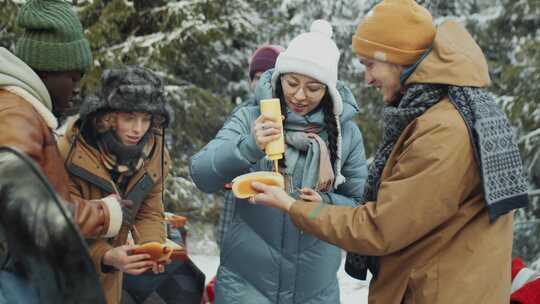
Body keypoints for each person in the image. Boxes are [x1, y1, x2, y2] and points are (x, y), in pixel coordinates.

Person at [251, 0, 529, 303]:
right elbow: (406, 213)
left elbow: (381, 227)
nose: (367, 79)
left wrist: (293, 207)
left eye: (370, 65)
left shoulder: (442, 131)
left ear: (399, 59)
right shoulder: (447, 110)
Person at [190, 19, 368, 303]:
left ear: (329, 90)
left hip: (315, 290)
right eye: (292, 83)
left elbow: (361, 205)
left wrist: (327, 203)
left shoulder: (346, 134)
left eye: (313, 88)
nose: (299, 95)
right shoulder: (250, 117)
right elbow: (201, 174)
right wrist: (249, 146)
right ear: (279, 78)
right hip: (245, 287)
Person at [0, 0, 123, 240]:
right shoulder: (16, 116)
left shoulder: (22, 111)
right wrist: (104, 214)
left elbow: (39, 196)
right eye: (73, 78)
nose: (77, 89)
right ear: (46, 71)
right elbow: (26, 214)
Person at [57, 66, 173, 304]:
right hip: (63, 276)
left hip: (110, 279)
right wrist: (106, 255)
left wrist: (151, 249)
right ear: (108, 118)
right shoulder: (70, 153)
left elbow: (149, 210)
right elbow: (58, 225)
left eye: (145, 118)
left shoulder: (154, 152)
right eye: (129, 118)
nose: (138, 129)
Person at [216, 44, 284, 248]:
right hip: (239, 204)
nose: (261, 82)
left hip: (277, 211)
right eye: (256, 76)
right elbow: (219, 159)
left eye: (268, 75)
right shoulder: (240, 116)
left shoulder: (295, 119)